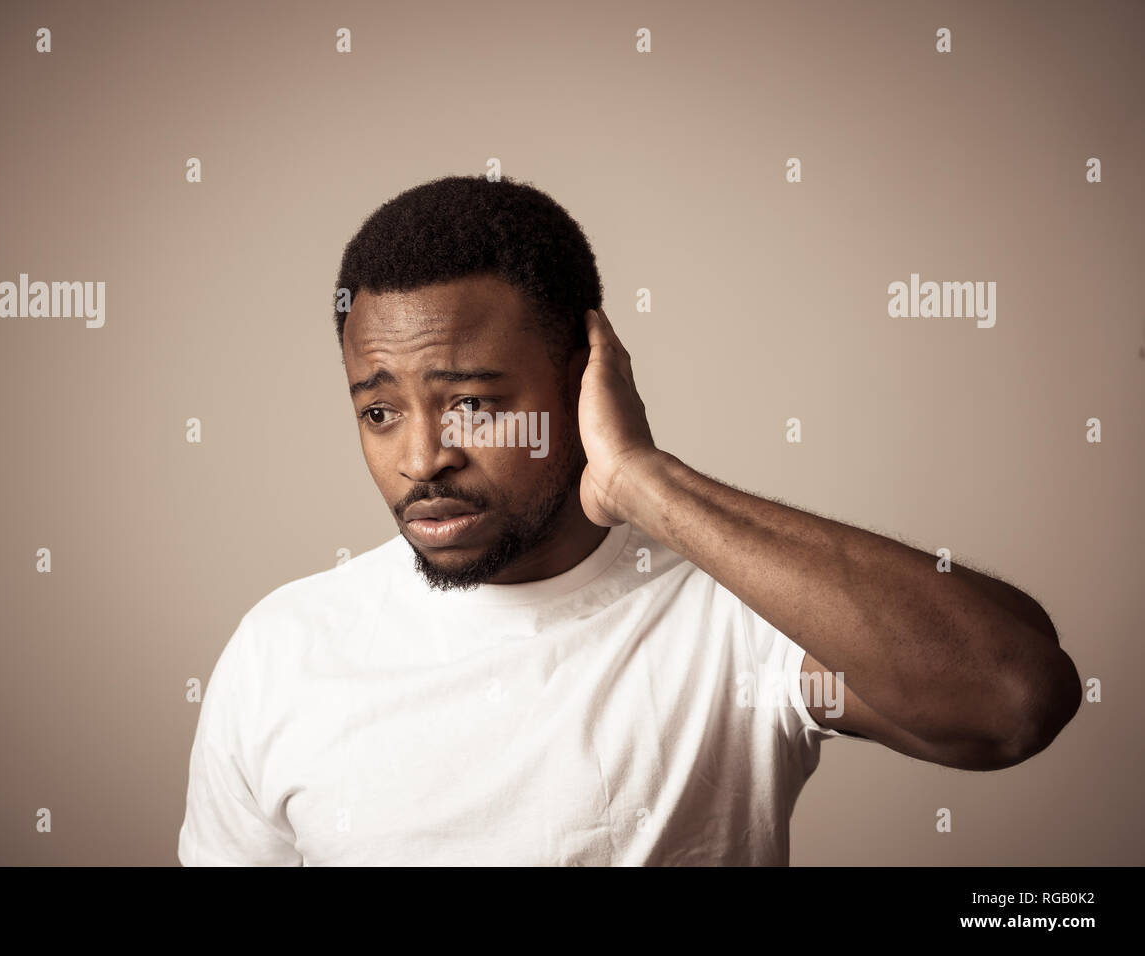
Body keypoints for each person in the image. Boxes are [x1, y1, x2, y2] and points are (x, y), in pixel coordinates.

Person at [178, 175, 1081, 866]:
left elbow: (1014, 699)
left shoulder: (737, 616)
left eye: (477, 406)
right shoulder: (282, 650)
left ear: (584, 380)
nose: (421, 459)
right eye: (379, 414)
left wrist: (646, 481)